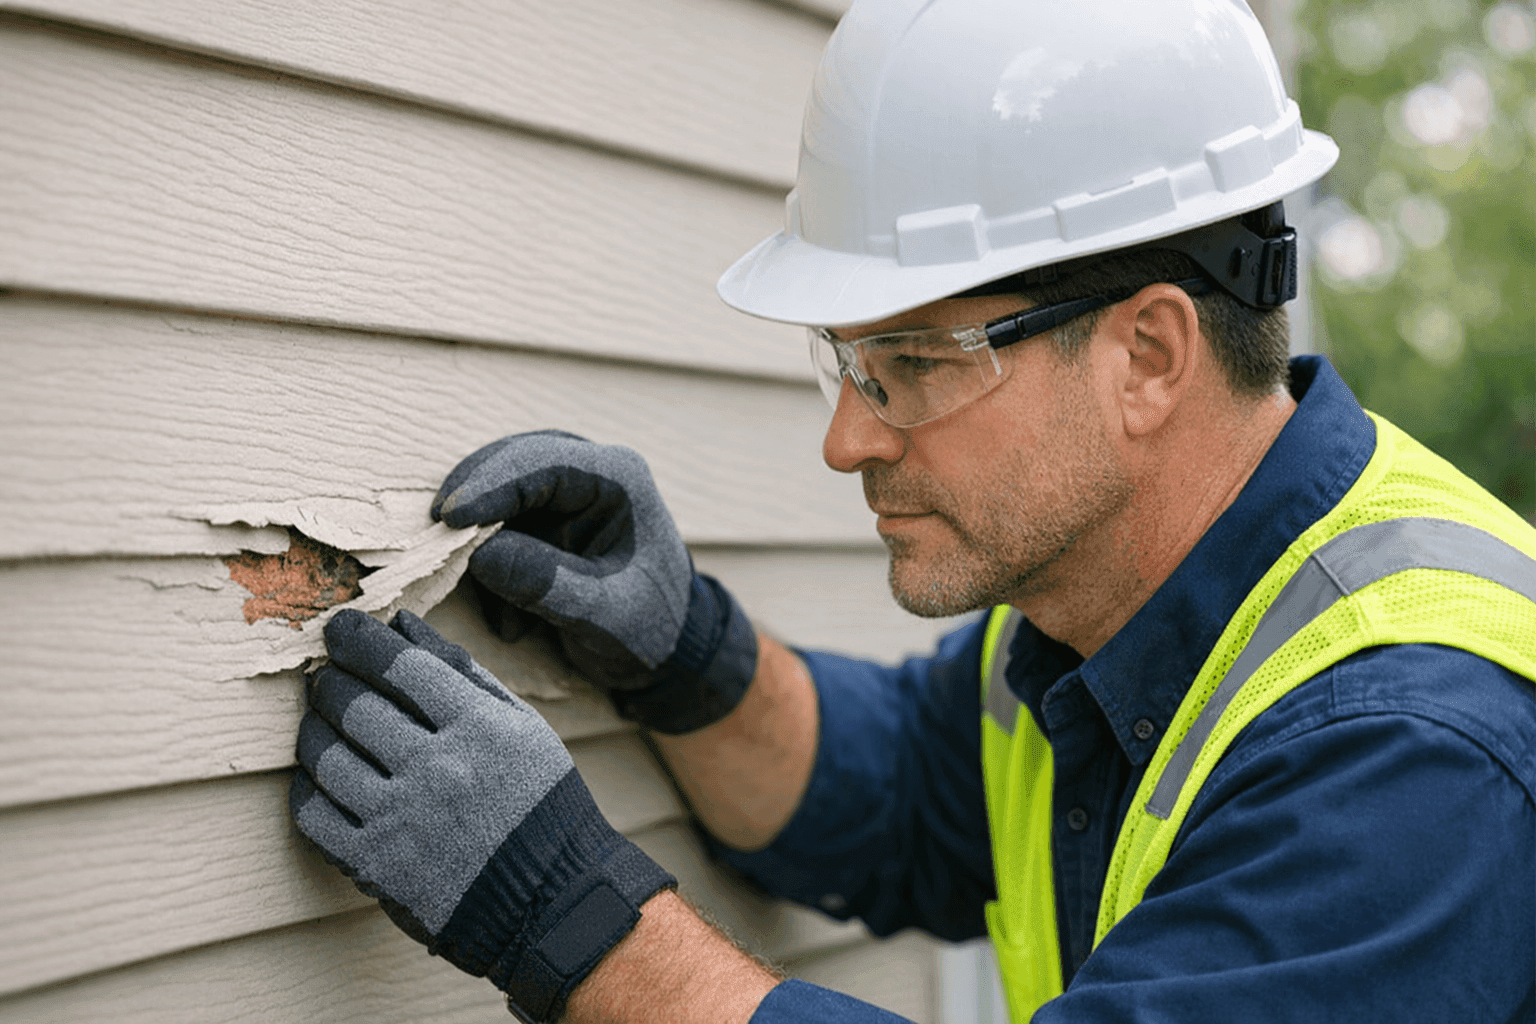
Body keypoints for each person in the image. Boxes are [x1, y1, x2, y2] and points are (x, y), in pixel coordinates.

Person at [288, 1, 1536, 1021]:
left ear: (1149, 356)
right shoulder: (1099, 613)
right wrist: (687, 655)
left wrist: (566, 916)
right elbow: (888, 793)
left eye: (919, 367)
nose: (848, 438)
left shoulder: (1409, 745)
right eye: (848, 363)